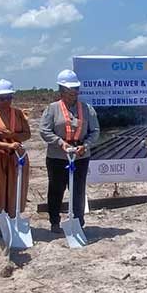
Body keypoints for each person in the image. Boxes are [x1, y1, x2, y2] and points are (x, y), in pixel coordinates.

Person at [40, 70, 100, 234]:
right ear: (61, 91)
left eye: (76, 90)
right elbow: (44, 131)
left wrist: (85, 145)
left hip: (80, 156)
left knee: (78, 191)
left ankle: (78, 223)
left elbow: (95, 131)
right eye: (70, 91)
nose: (74, 94)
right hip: (58, 157)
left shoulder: (87, 109)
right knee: (56, 189)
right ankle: (54, 221)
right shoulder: (52, 109)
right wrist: (60, 143)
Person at [0, 79, 32, 235]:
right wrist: (6, 145)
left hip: (17, 158)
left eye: (9, 97)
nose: (6, 101)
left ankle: (13, 220)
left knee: (15, 190)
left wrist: (12, 136)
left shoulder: (18, 114)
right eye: (2, 98)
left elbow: (27, 134)